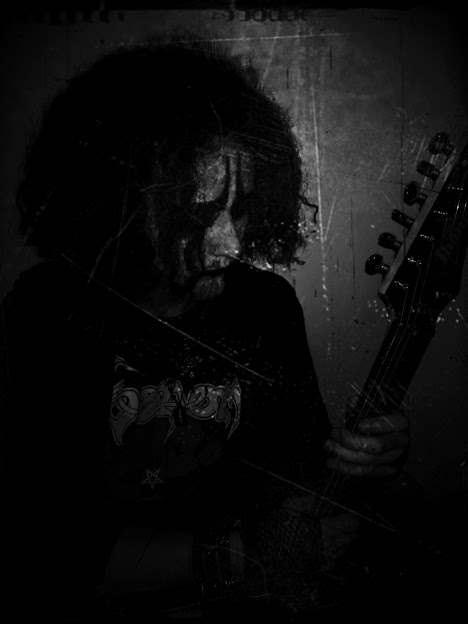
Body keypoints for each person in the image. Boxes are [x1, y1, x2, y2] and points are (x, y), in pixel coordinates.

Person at [1, 33, 409, 622]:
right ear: (122, 206)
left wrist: (372, 464)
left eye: (238, 208)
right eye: (197, 214)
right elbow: (48, 543)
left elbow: (299, 479)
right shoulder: (51, 308)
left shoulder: (265, 304)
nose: (231, 243)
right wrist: (240, 554)